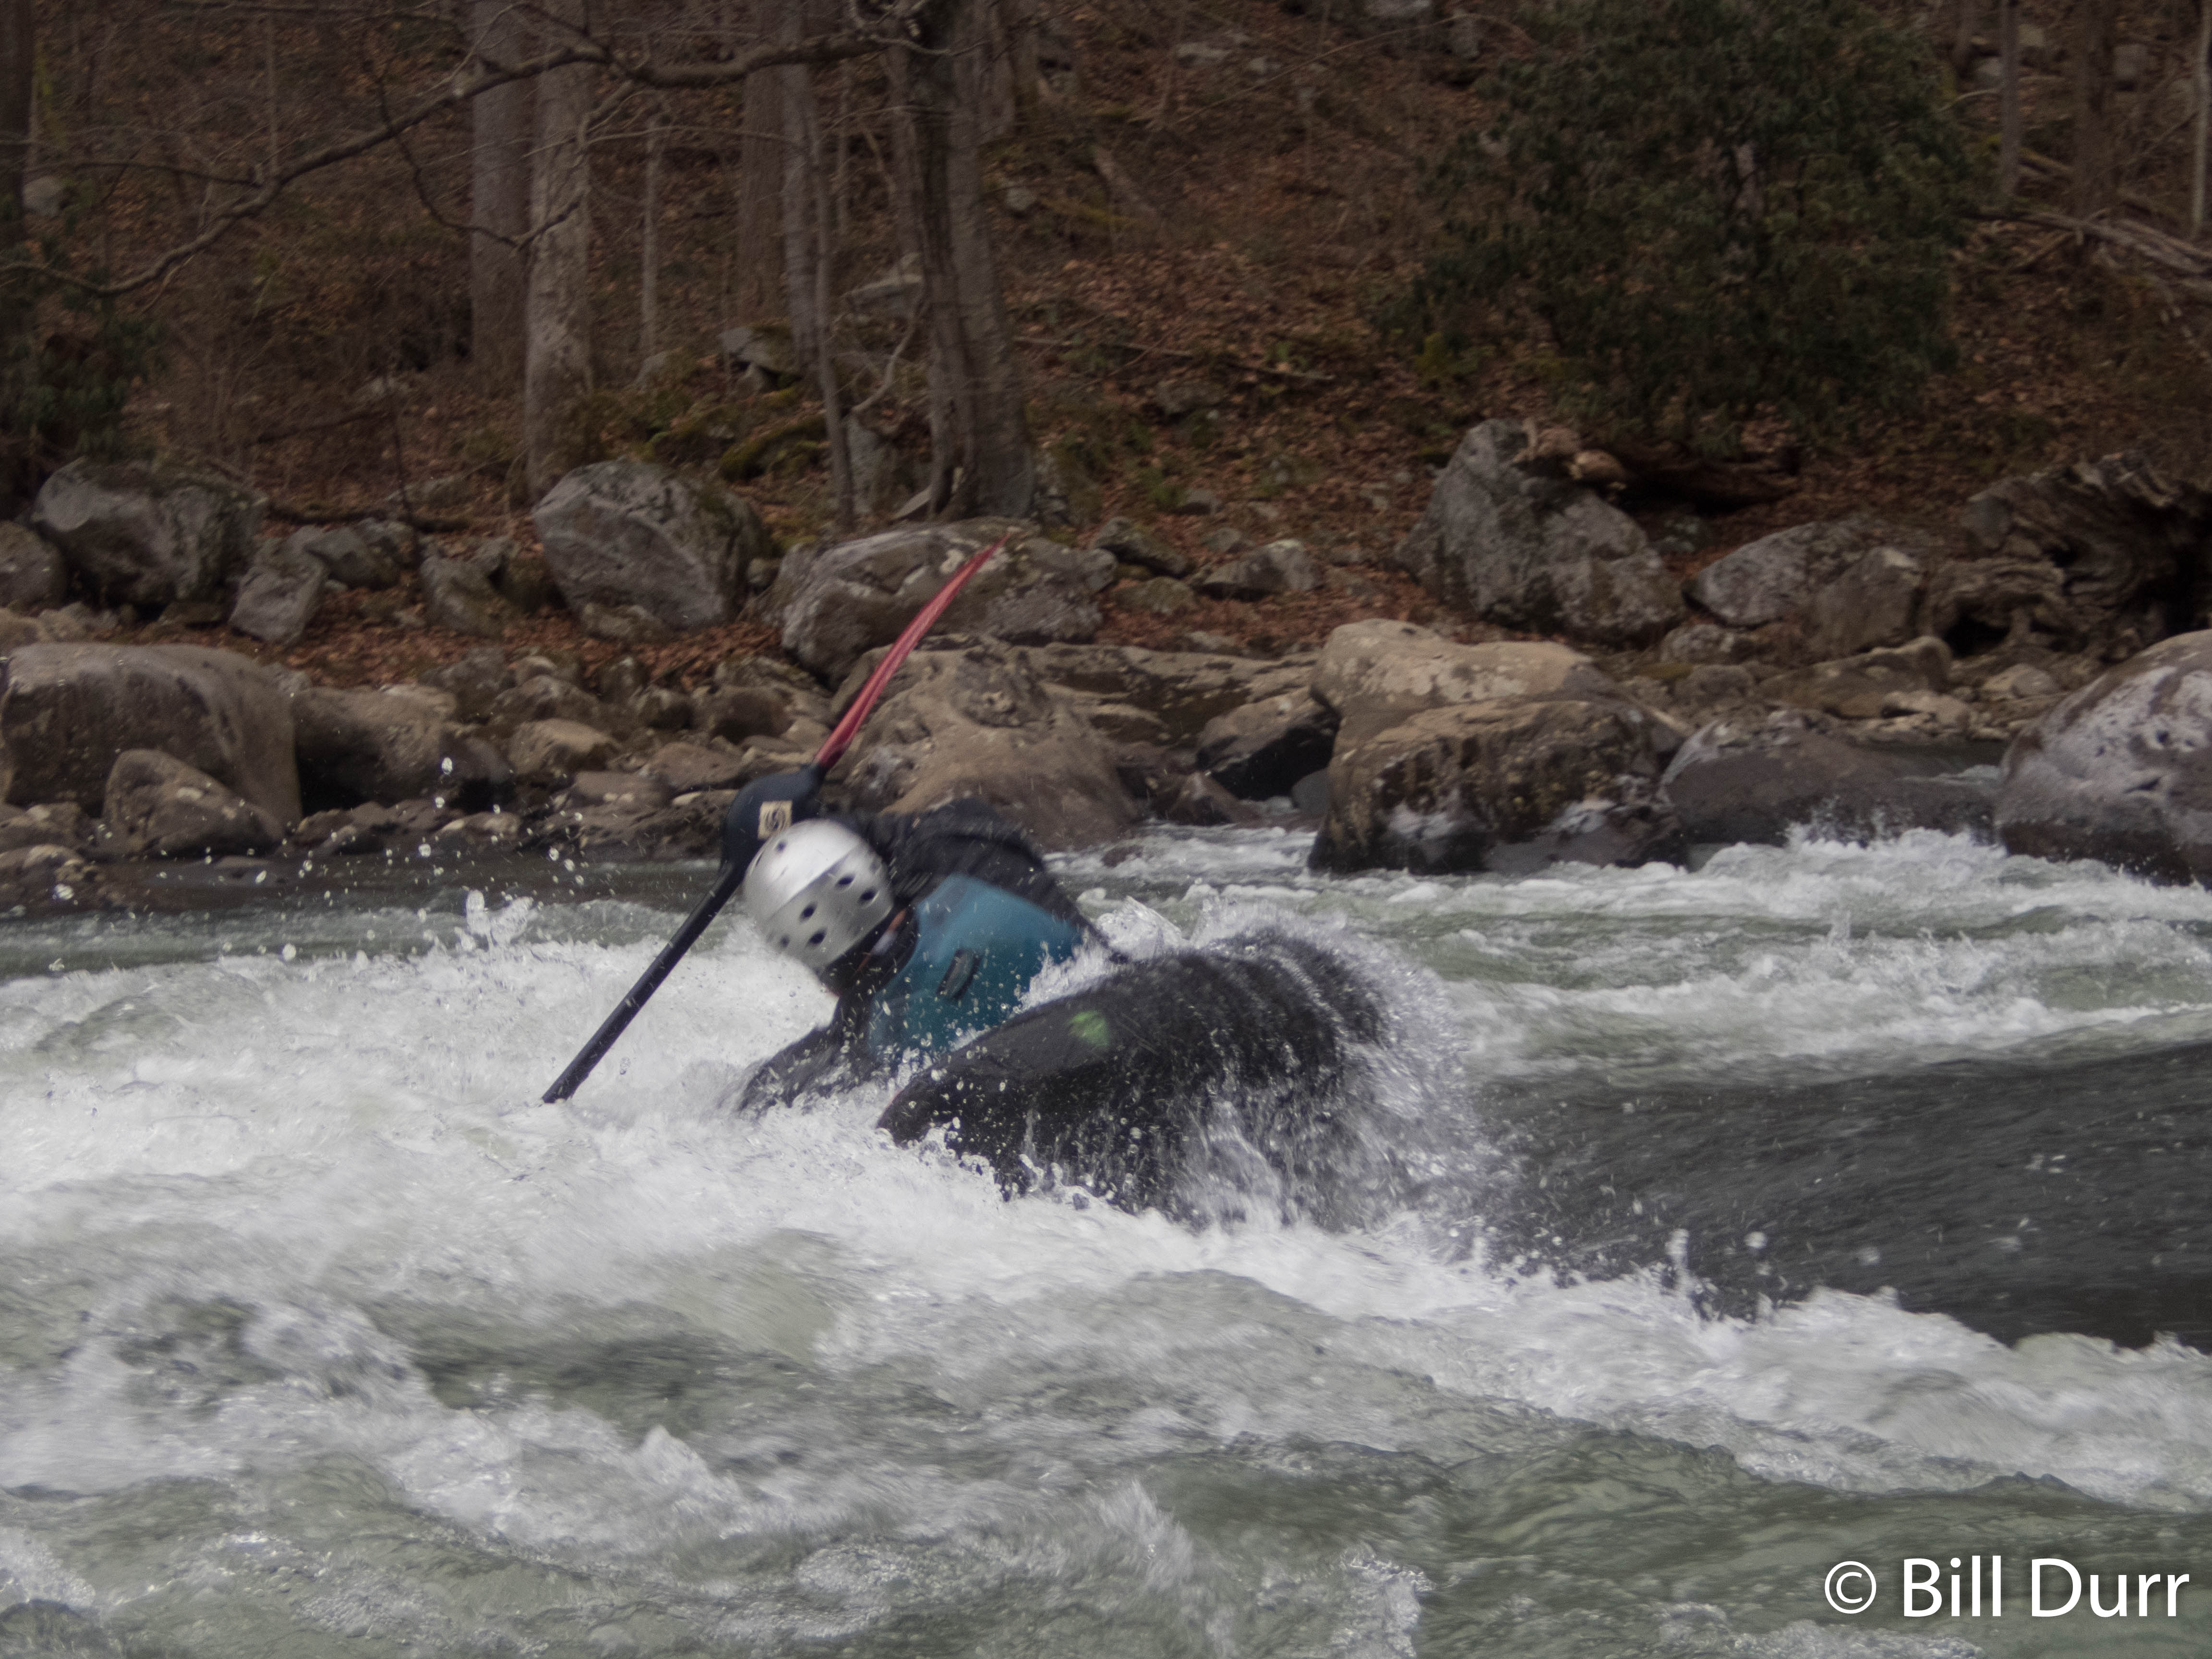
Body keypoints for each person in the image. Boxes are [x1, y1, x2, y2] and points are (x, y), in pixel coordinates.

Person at [725, 769, 1100, 1111]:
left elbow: (771, 1094)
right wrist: (834, 831)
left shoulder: (863, 1045)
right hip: (1102, 1023)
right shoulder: (971, 853)